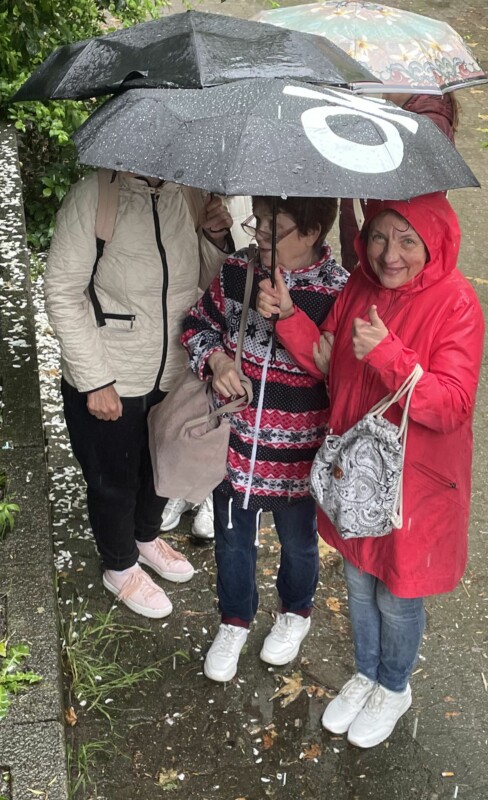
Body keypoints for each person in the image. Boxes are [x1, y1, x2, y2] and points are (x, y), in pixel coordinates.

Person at [262, 192, 484, 748]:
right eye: (381, 236)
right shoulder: (360, 283)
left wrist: (390, 356)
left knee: (398, 591)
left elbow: (452, 405)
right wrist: (289, 316)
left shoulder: (456, 304)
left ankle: (394, 683)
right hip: (354, 472)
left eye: (408, 241)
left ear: (433, 244)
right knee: (359, 582)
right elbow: (325, 358)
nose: (390, 254)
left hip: (415, 485)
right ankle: (366, 672)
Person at [44, 170, 234, 619]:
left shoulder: (187, 193)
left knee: (160, 465)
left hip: (174, 365)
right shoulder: (96, 195)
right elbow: (62, 291)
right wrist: (94, 379)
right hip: (113, 370)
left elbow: (207, 284)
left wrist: (213, 237)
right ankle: (119, 565)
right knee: (113, 480)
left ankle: (146, 537)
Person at [182, 195, 347, 682]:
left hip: (301, 452)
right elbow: (197, 324)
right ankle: (234, 619)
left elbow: (337, 372)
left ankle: (295, 612)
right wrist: (215, 362)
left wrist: (289, 315)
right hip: (235, 444)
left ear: (313, 232)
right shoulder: (238, 271)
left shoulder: (338, 290)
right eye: (258, 224)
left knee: (300, 543)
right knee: (233, 542)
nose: (259, 238)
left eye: (275, 231)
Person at [161, 195, 259, 542]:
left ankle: (207, 489)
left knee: (230, 396)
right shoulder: (181, 179)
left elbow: (244, 254)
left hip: (237, 291)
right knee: (191, 399)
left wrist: (220, 239)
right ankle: (186, 482)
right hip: (181, 305)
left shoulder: (250, 186)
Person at [337, 93, 459, 272]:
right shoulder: (394, 107)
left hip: (390, 262)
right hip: (372, 248)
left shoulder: (426, 123)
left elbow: (408, 212)